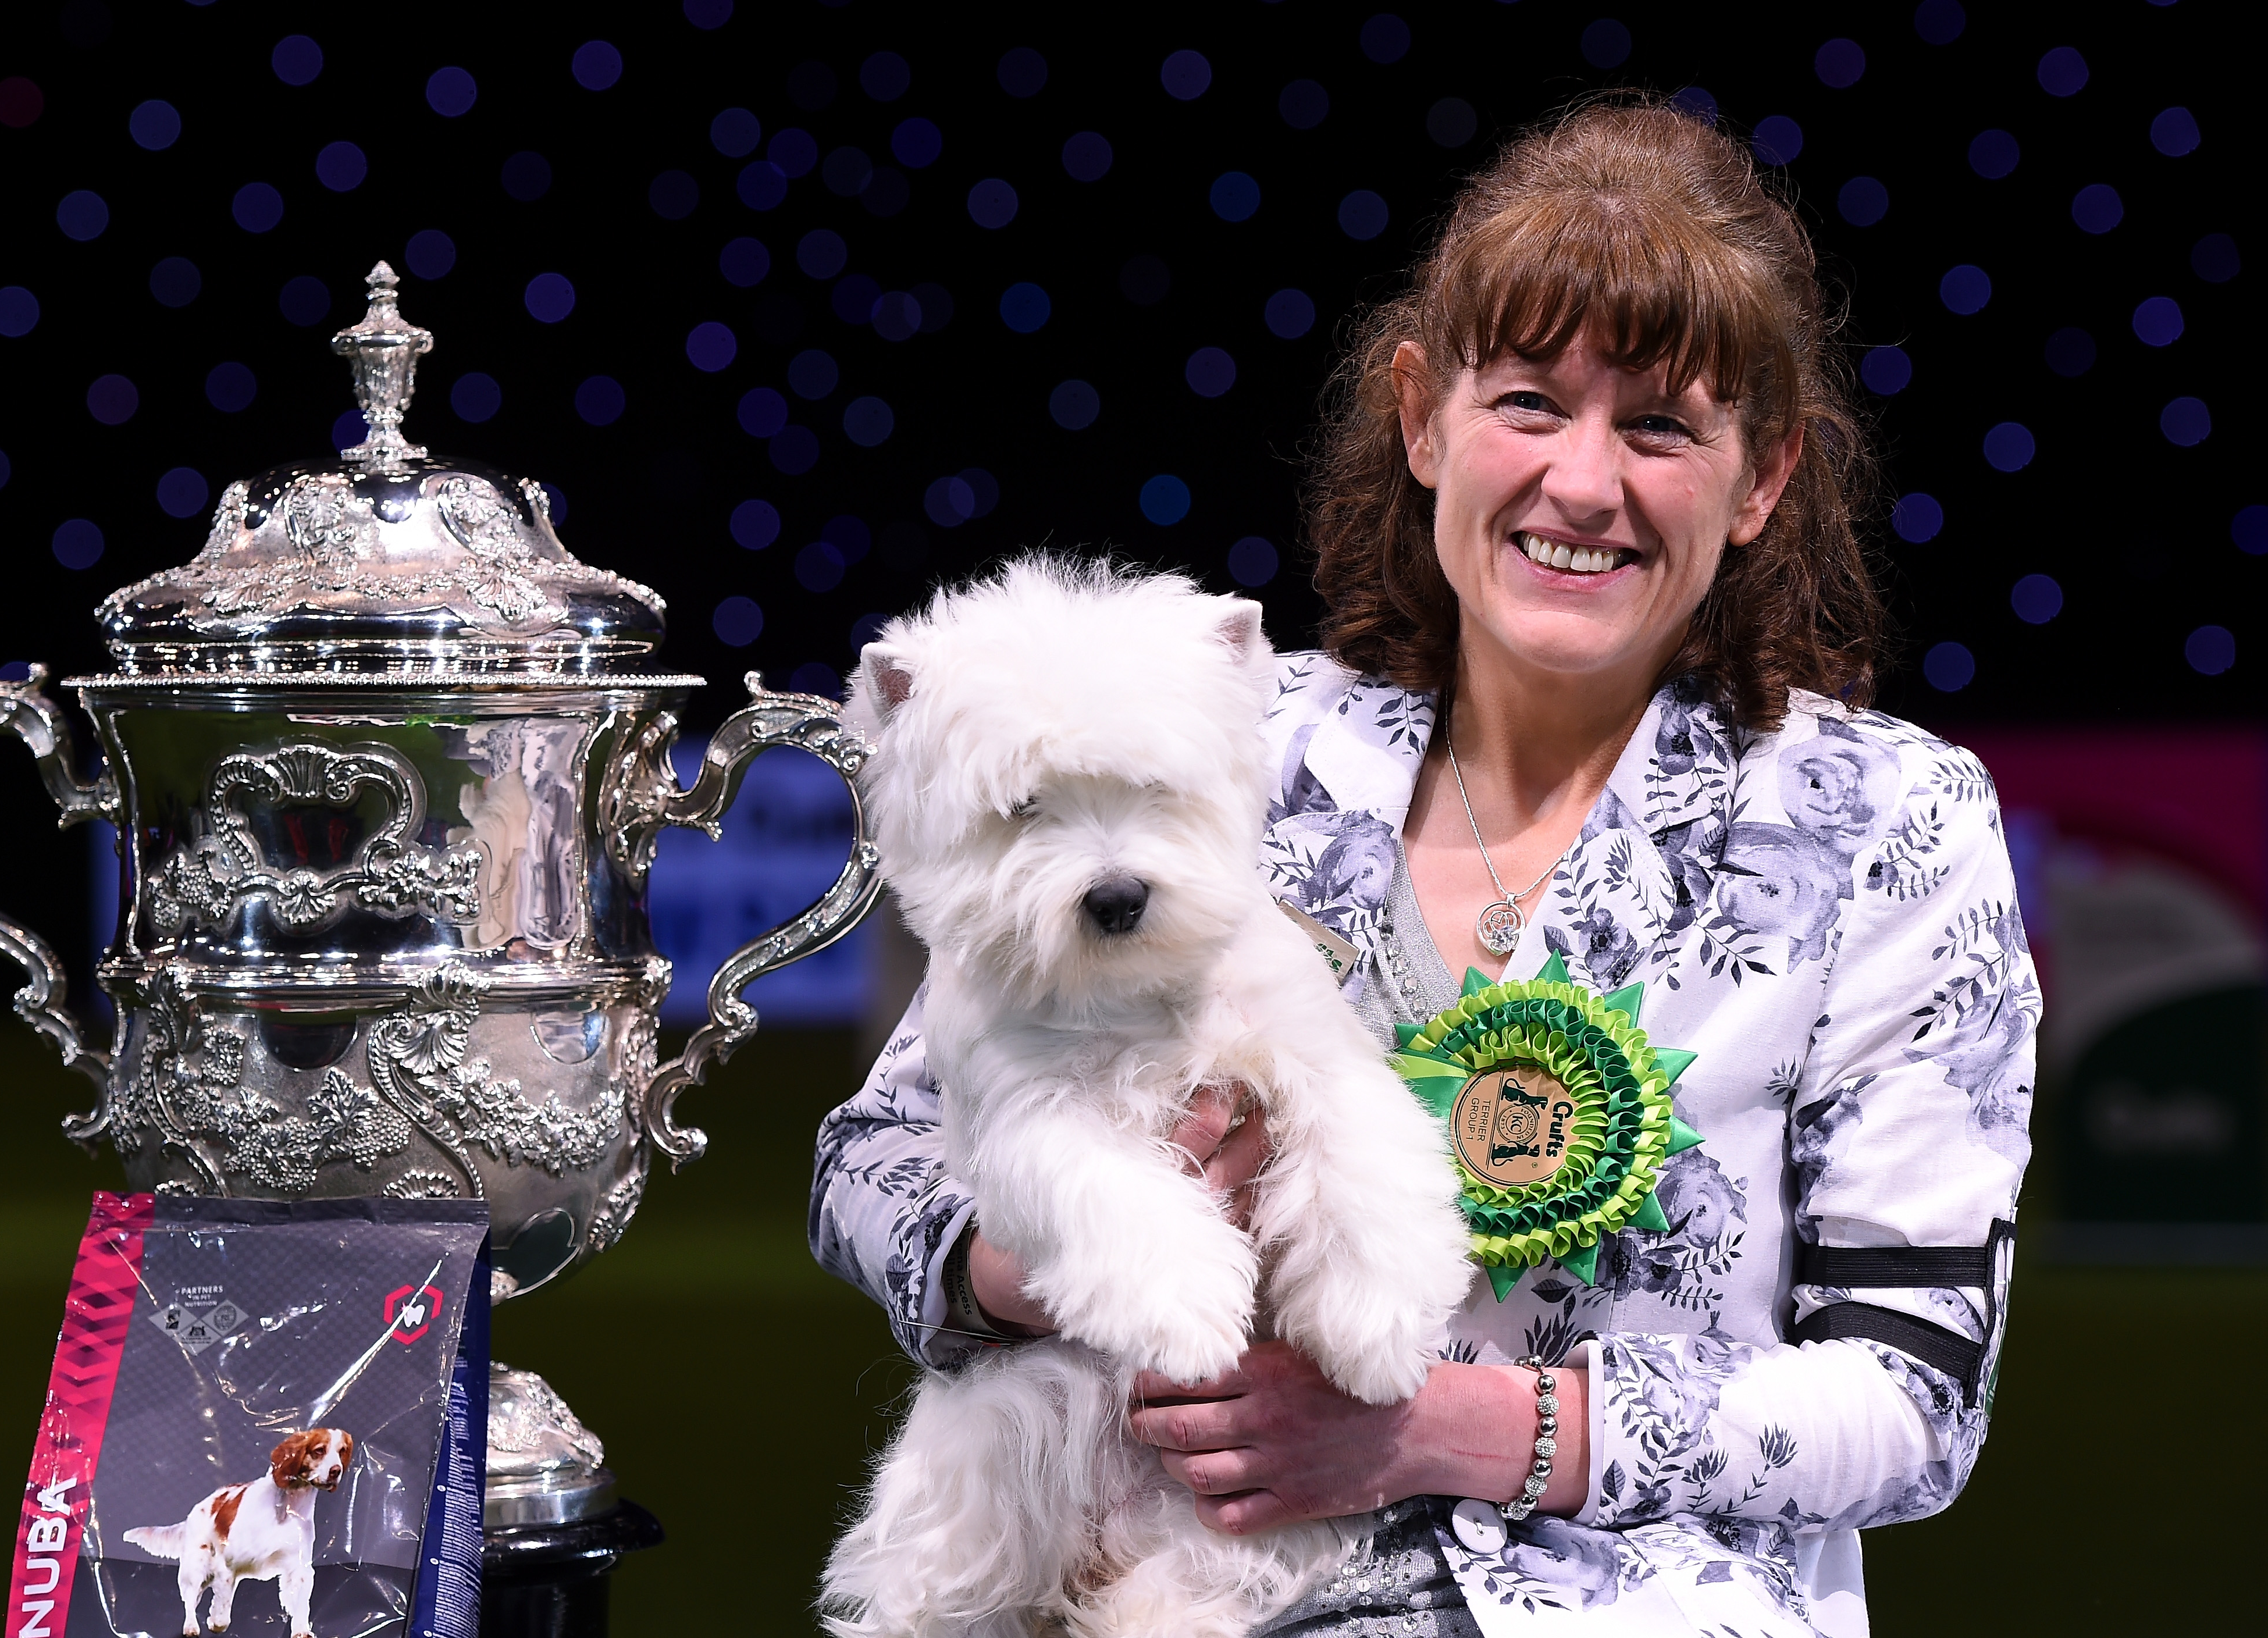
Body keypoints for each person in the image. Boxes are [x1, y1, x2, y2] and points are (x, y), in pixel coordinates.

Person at [809, 97, 2035, 1637]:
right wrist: (1065, 1255)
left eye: (1660, 427)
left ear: (1764, 478)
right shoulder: (1222, 737)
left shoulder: (1889, 824)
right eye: (1529, 402)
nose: (1583, 484)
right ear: (1421, 417)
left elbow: (1914, 1397)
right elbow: (869, 1170)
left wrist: (1458, 1430)